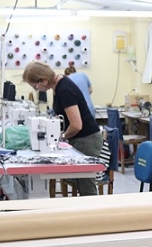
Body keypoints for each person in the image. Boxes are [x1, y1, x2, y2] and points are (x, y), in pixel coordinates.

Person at [23, 61, 102, 196]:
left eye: (36, 86)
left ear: (43, 80)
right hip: (81, 139)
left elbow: (76, 125)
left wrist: (60, 137)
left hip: (87, 140)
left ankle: (94, 209)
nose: (37, 90)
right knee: (82, 184)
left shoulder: (64, 89)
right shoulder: (59, 85)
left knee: (86, 187)